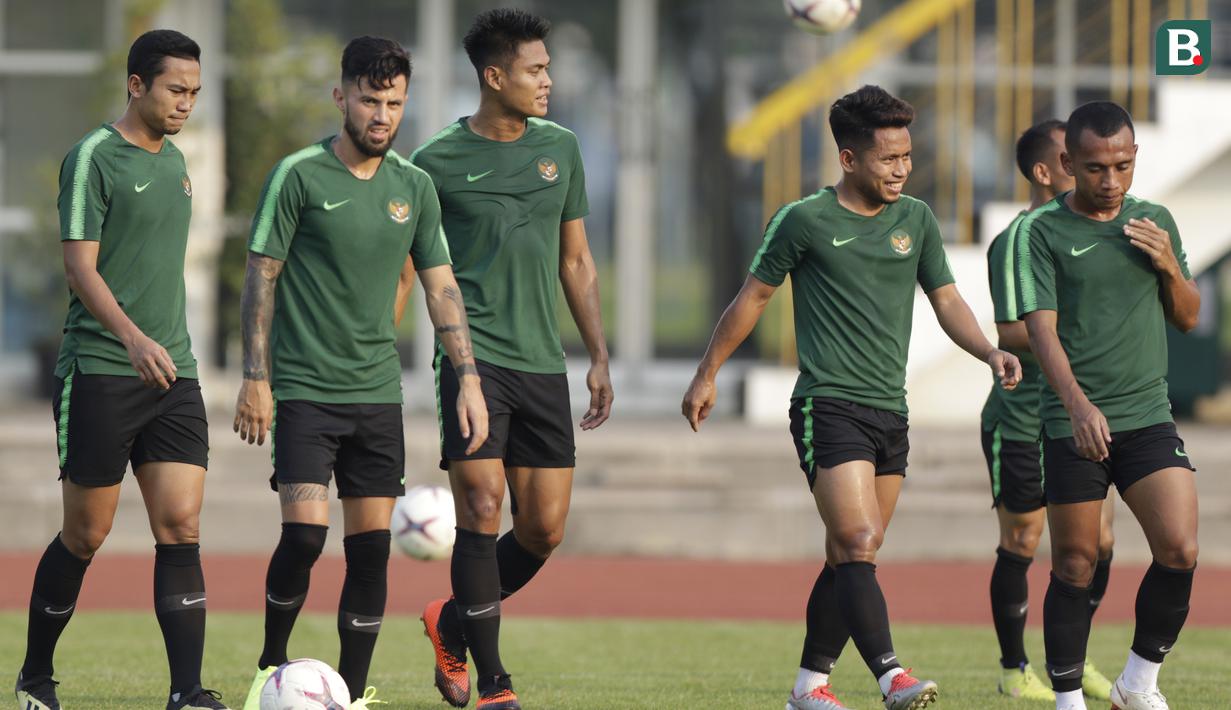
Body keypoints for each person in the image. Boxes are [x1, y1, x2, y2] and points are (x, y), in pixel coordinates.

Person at [682, 84, 1021, 710]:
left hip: (890, 410)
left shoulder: (915, 220)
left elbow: (946, 300)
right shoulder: (805, 219)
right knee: (860, 540)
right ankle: (892, 676)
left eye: (907, 157)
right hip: (827, 404)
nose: (902, 170)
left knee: (849, 555)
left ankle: (808, 689)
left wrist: (990, 351)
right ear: (849, 159)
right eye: (888, 159)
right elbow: (752, 298)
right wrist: (707, 372)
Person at [233, 36, 487, 709]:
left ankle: (348, 691)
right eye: (370, 100)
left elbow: (440, 289)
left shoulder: (414, 187)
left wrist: (467, 377)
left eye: (394, 103)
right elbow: (261, 276)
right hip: (307, 393)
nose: (381, 114)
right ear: (341, 96)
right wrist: (255, 377)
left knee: (371, 550)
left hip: (376, 396)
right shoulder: (298, 175)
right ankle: (269, 664)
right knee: (306, 537)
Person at [14, 29, 229, 710]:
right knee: (87, 533)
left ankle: (186, 693)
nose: (185, 103)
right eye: (175, 89)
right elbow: (79, 267)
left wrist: (159, 345)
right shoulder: (93, 159)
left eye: (194, 92)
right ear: (136, 85)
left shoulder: (177, 162)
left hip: (174, 373)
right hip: (104, 368)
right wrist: (133, 338)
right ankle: (36, 678)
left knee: (181, 527)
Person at [412, 9, 613, 710]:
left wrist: (596, 354)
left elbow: (577, 261)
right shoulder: (434, 161)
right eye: (535, 70)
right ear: (493, 78)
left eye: (547, 68)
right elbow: (412, 269)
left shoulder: (561, 147)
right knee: (482, 504)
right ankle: (495, 684)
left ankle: (451, 622)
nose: (547, 81)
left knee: (543, 528)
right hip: (473, 361)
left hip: (541, 364)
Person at [1015, 101, 1200, 710]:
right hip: (1073, 423)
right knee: (1076, 561)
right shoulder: (1042, 233)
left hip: (1147, 416)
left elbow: (1189, 317)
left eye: (1122, 165)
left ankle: (1137, 683)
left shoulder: (1154, 220)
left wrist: (1169, 264)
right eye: (1096, 168)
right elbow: (1041, 331)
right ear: (1068, 163)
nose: (1111, 181)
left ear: (1134, 157)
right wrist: (1077, 407)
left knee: (1179, 548)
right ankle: (1069, 698)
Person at [981, 120, 1115, 702]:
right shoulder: (1017, 239)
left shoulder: (1092, 231)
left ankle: (1072, 654)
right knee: (1023, 539)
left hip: (1081, 414)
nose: (1087, 168)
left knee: (1100, 543)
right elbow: (1009, 330)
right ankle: (1014, 670)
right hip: (1023, 416)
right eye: (1073, 158)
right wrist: (1063, 342)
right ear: (1044, 171)